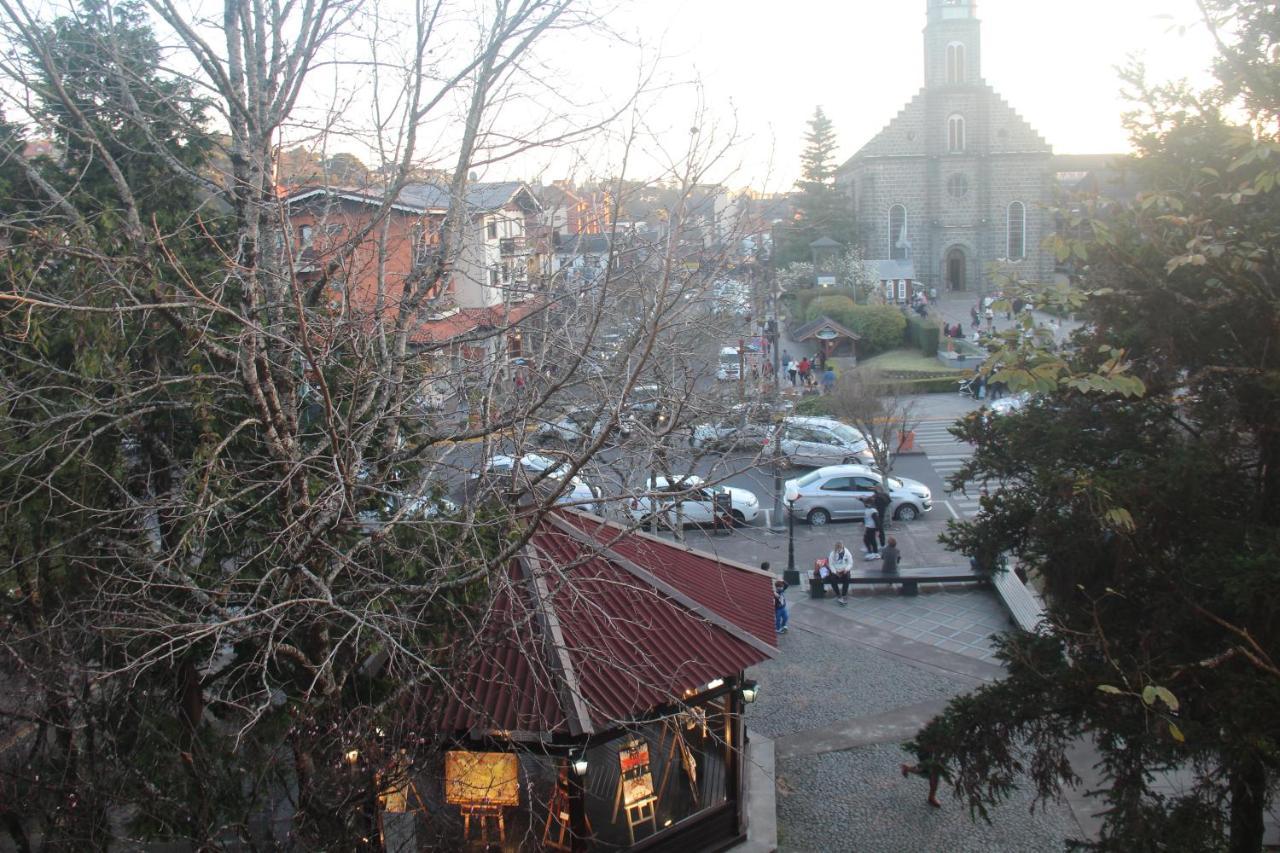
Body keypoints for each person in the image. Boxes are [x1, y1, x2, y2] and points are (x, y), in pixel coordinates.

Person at [827, 541, 854, 605]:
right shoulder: (832, 554)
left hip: (844, 569)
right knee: (832, 579)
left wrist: (846, 569)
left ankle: (844, 594)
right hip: (836, 570)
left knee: (847, 578)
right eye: (837, 549)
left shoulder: (847, 553)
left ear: (842, 547)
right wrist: (835, 572)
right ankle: (838, 594)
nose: (838, 551)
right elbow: (831, 564)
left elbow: (850, 563)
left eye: (840, 549)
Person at [771, 569, 789, 635]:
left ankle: (783, 626)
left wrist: (782, 581)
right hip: (778, 608)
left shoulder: (781, 590)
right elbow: (775, 598)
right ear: (777, 587)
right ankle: (778, 629)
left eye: (782, 587)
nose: (782, 588)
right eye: (780, 587)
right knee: (778, 619)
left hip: (783, 607)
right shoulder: (775, 593)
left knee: (786, 617)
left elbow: (787, 585)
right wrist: (774, 594)